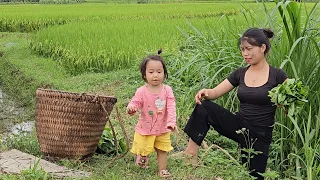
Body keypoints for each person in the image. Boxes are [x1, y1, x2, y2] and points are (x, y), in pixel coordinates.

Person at [179, 28, 287, 180]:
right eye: (242, 49)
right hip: (239, 127)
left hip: (260, 135)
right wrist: (206, 92)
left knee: (253, 176)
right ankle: (190, 156)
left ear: (263, 48)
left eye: (249, 49)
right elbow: (216, 92)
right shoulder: (240, 73)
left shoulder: (278, 76)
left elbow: (290, 103)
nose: (245, 54)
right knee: (204, 107)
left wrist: (284, 104)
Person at [127, 49, 178, 178]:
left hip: (162, 127)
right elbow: (135, 102)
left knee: (162, 149)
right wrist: (132, 108)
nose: (155, 75)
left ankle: (162, 169)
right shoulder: (141, 91)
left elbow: (171, 106)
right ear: (144, 75)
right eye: (151, 72)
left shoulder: (167, 90)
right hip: (146, 127)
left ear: (164, 74)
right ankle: (143, 158)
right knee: (143, 149)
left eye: (159, 72)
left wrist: (171, 122)